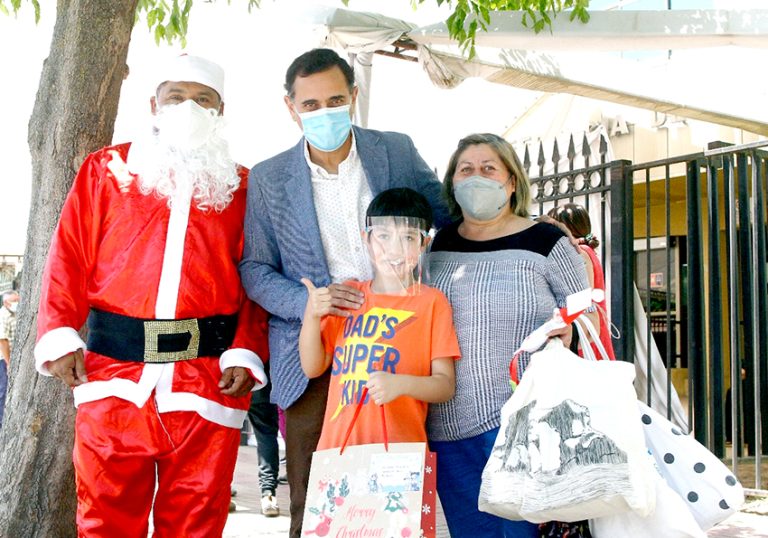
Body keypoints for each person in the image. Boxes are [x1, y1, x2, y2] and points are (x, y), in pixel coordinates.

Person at [34, 55, 269, 537]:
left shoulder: (243, 187)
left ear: (221, 110)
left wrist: (247, 352)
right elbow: (68, 258)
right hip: (113, 377)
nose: (190, 109)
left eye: (204, 100)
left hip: (206, 385)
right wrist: (58, 334)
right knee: (104, 519)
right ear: (153, 105)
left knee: (196, 522)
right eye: (176, 97)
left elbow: (258, 280)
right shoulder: (107, 170)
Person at [238, 48, 450, 537]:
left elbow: (446, 217)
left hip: (397, 345)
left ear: (354, 96)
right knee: (315, 504)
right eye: (310, 104)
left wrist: (517, 227)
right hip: (313, 354)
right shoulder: (270, 178)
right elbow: (254, 268)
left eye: (335, 99)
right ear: (290, 107)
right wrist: (308, 304)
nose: (323, 112)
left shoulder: (394, 150)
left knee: (395, 495)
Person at [426, 133, 593, 537]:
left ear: (512, 181)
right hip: (448, 422)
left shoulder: (547, 241)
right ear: (452, 182)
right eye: (465, 169)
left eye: (489, 169)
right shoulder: (438, 244)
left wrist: (567, 333)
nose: (476, 177)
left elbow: (587, 316)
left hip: (524, 420)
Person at [299, 188, 460, 451]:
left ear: (424, 244)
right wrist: (312, 313)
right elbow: (312, 367)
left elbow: (445, 385)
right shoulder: (350, 295)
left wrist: (401, 384)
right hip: (338, 449)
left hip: (398, 454)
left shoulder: (432, 303)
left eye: (408, 237)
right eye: (383, 236)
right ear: (367, 239)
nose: (394, 248)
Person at [547, 203, 616, 360]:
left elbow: (581, 300)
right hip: (590, 325)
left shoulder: (579, 254)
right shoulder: (587, 251)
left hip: (582, 328)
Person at [246, 364, 281, 517]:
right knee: (266, 434)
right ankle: (268, 493)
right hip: (261, 376)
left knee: (226, 436)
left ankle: (223, 489)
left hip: (229, 374)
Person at [0, 290, 19, 427]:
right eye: (14, 301)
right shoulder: (3, 315)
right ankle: (2, 422)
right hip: (4, 359)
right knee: (4, 389)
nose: (17, 304)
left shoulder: (16, 313)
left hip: (14, 358)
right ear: (6, 303)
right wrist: (9, 363)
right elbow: (2, 341)